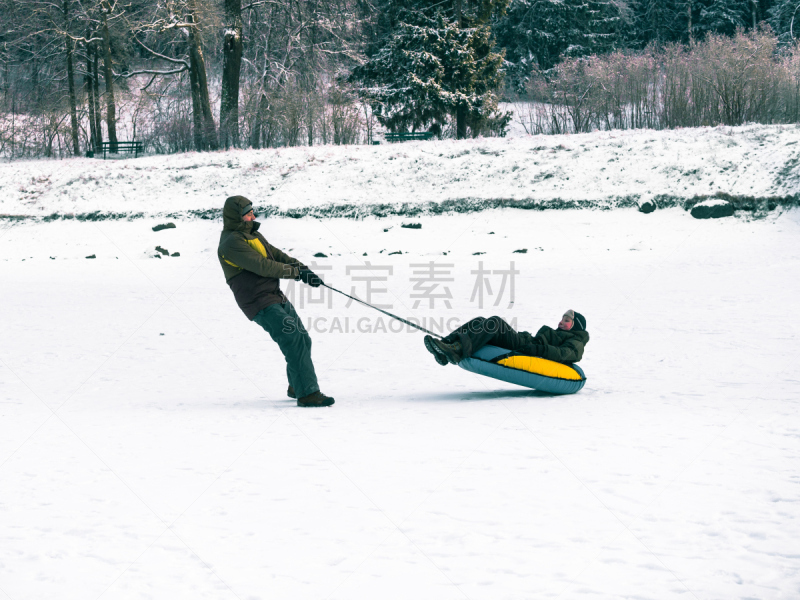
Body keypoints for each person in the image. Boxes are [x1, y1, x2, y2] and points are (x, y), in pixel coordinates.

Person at [218, 195, 334, 407]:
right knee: (293, 338)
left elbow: (276, 256)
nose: (253, 215)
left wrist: (302, 268)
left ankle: (296, 384)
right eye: (247, 213)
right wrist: (296, 274)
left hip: (273, 294)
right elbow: (263, 266)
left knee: (303, 338)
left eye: (252, 211)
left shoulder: (253, 235)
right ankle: (307, 393)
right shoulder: (231, 243)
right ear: (237, 217)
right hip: (257, 300)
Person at [424, 310, 589, 366]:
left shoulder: (576, 341)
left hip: (526, 347)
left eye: (567, 320)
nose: (561, 322)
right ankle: (445, 345)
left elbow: (566, 354)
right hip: (526, 341)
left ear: (576, 326)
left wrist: (537, 348)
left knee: (495, 322)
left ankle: (456, 350)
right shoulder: (560, 333)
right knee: (481, 321)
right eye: (562, 319)